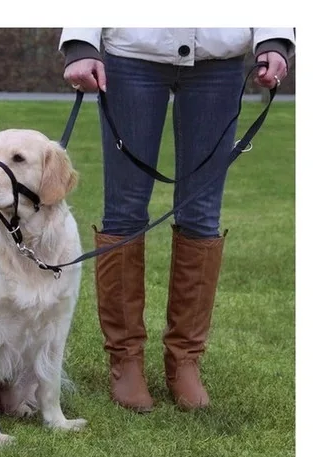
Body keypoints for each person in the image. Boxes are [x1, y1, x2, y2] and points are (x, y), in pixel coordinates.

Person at [59, 28, 295, 412]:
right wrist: (80, 42)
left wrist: (275, 38)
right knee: (124, 211)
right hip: (133, 50)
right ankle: (125, 359)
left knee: (201, 215)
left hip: (219, 56)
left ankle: (185, 360)